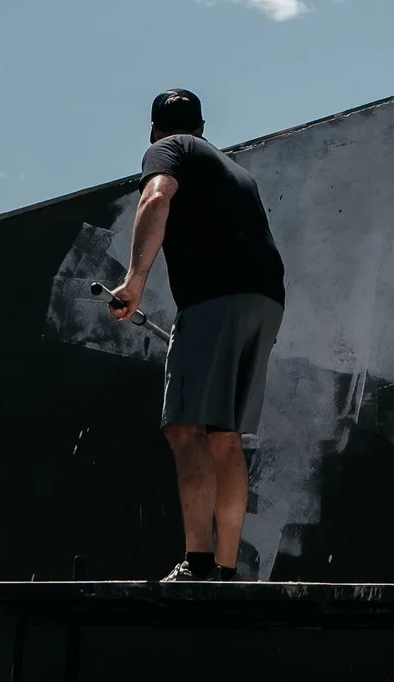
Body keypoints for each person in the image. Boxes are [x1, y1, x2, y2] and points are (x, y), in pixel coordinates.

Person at [108, 89, 287, 583]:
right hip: (265, 301)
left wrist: (134, 282)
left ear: (152, 130)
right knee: (223, 436)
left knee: (185, 428)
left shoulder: (168, 150)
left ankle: (198, 563)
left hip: (216, 301)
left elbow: (157, 195)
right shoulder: (235, 172)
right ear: (204, 125)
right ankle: (227, 570)